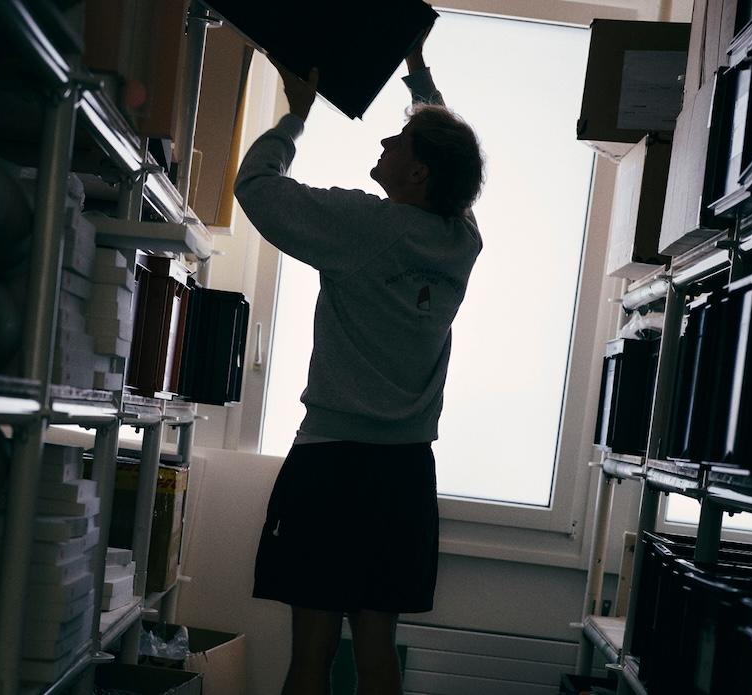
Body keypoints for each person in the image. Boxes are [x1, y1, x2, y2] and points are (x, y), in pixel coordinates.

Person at [234, 31, 484, 695]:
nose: (382, 144)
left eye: (395, 144)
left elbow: (255, 185)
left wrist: (295, 113)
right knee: (377, 655)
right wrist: (417, 72)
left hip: (332, 465)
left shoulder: (364, 228)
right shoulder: (461, 241)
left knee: (310, 658)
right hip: (402, 476)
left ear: (416, 173)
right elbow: (455, 170)